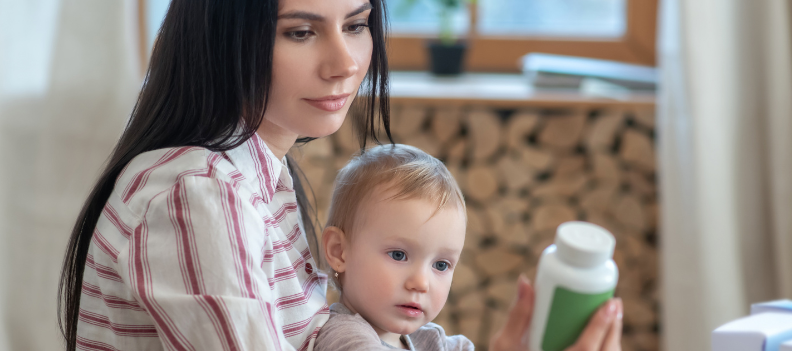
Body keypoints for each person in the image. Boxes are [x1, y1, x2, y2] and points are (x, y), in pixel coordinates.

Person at [57, 0, 624, 350]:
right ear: (223, 36)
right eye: (300, 32)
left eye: (356, 24)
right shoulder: (199, 196)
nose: (346, 62)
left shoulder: (259, 175)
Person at [314, 143, 472, 350]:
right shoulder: (344, 337)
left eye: (441, 265)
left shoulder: (431, 341)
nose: (421, 283)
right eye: (398, 255)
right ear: (339, 252)